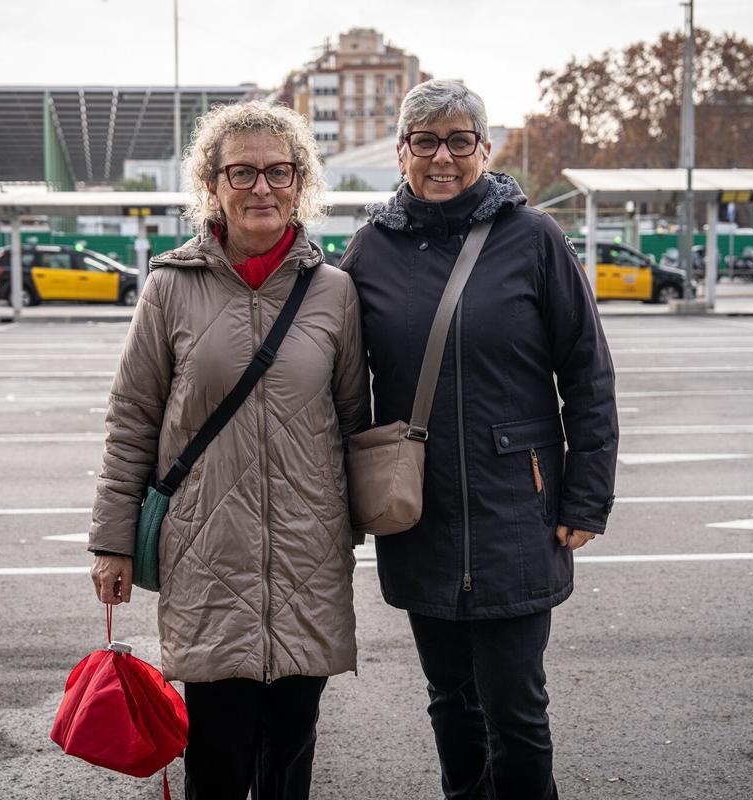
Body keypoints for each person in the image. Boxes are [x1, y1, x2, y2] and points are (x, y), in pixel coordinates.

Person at [340, 79, 618, 800]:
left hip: (516, 512)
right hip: (418, 512)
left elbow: (587, 372)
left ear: (484, 150)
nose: (442, 156)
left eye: (458, 140)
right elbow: (332, 377)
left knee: (517, 715)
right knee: (450, 703)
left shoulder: (533, 239)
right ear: (402, 152)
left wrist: (587, 497)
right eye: (425, 141)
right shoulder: (370, 248)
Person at [88, 100, 369, 800]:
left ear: (301, 182)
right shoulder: (169, 288)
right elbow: (132, 420)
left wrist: (359, 528)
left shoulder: (333, 293)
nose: (261, 188)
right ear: (211, 185)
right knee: (217, 755)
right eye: (241, 172)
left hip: (307, 558)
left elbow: (354, 420)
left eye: (279, 171)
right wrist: (112, 542)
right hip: (206, 558)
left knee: (290, 757)